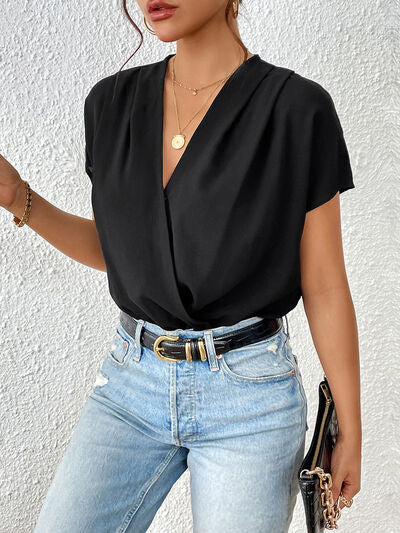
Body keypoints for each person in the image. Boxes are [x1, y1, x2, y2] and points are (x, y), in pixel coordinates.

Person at [1, 1, 361, 531]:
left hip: (249, 397)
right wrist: (17, 198)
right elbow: (125, 252)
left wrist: (349, 426)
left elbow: (324, 283)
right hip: (131, 381)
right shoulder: (110, 104)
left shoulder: (296, 109)